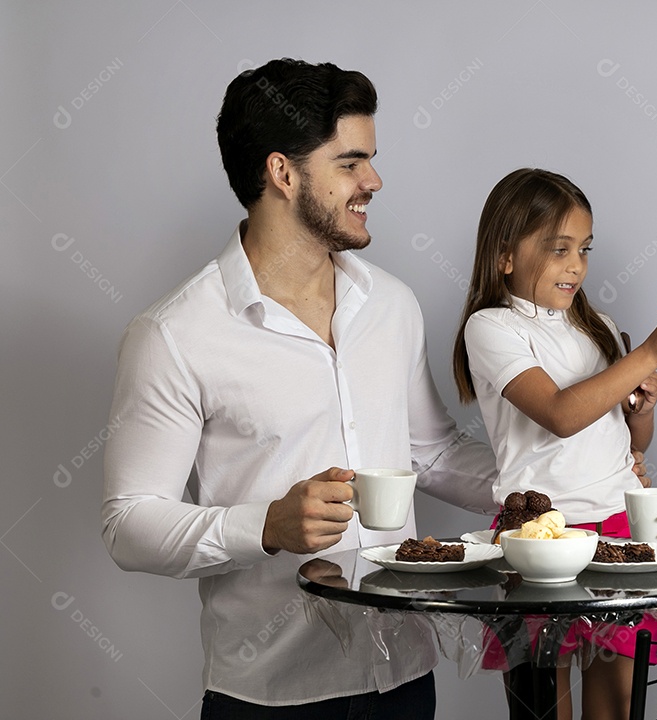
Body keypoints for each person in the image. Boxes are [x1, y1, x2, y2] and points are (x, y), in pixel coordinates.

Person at [101, 58, 502, 719]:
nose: (374, 180)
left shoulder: (391, 305)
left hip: (403, 678)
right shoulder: (173, 335)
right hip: (273, 696)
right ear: (281, 172)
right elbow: (129, 522)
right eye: (350, 163)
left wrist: (539, 478)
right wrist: (266, 526)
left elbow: (428, 452)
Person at [451, 168, 657, 720]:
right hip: (539, 539)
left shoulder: (596, 324)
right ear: (505, 255)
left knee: (617, 707)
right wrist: (648, 355)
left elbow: (632, 439)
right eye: (558, 248)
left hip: (617, 528)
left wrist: (643, 404)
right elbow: (560, 415)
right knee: (543, 706)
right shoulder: (492, 327)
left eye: (584, 249)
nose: (576, 265)